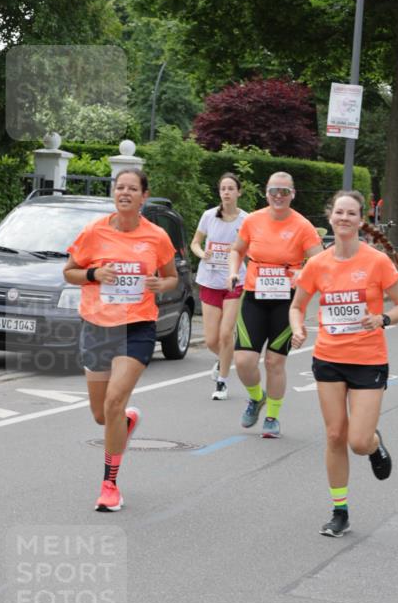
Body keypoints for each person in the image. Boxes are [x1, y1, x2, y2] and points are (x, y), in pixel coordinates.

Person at [289, 191, 398, 537]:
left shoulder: (376, 262)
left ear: (360, 221)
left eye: (351, 213)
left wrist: (384, 318)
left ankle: (374, 444)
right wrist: (298, 328)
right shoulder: (317, 264)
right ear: (331, 217)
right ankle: (339, 510)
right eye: (339, 212)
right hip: (328, 358)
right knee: (334, 435)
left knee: (357, 441)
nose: (344, 218)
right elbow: (297, 305)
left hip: (367, 360)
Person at [64, 169, 178, 511]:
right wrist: (94, 274)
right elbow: (69, 271)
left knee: (114, 402)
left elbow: (171, 277)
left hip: (137, 327)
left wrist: (162, 285)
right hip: (98, 326)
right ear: (114, 194)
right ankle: (125, 422)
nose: (124, 192)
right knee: (102, 415)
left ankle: (109, 485)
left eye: (132, 188)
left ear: (144, 196)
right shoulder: (93, 231)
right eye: (120, 187)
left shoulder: (157, 237)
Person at [228, 172, 322, 437]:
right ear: (266, 193)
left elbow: (319, 261)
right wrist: (233, 271)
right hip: (255, 296)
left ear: (293, 194)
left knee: (273, 362)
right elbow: (237, 249)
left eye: (284, 191)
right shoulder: (253, 221)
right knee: (245, 360)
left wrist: (303, 274)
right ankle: (257, 397)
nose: (278, 196)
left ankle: (272, 416)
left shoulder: (302, 226)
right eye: (273, 191)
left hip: (286, 302)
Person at [191, 173, 247, 400]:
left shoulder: (246, 220)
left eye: (230, 188)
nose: (226, 192)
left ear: (238, 192)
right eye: (223, 188)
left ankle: (222, 382)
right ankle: (223, 360)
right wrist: (203, 254)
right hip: (210, 279)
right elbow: (194, 243)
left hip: (234, 281)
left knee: (226, 334)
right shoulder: (208, 216)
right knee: (212, 339)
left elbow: (252, 249)